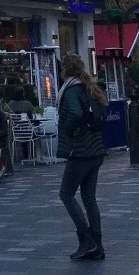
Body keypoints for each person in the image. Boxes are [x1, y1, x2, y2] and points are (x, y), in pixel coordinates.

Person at [56, 52, 108, 261]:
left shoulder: (71, 90)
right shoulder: (88, 87)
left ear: (65, 70)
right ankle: (98, 245)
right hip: (96, 149)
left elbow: (76, 113)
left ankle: (86, 240)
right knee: (89, 197)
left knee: (66, 194)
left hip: (80, 151)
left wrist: (69, 130)